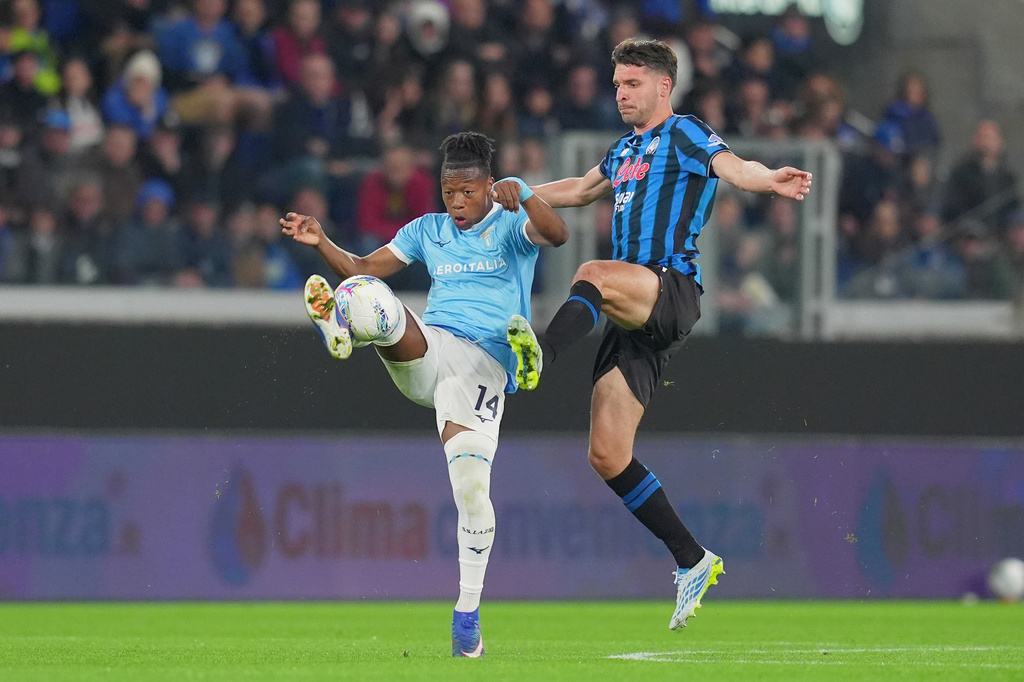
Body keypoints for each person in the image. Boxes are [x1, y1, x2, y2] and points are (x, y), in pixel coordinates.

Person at [499, 38, 812, 630]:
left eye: (632, 83)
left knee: (590, 273)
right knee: (606, 454)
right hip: (631, 312)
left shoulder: (686, 133)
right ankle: (692, 559)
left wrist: (769, 179)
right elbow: (578, 190)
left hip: (668, 289)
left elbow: (734, 167)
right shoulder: (623, 151)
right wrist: (520, 193)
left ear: (664, 87)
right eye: (617, 83)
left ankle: (537, 355)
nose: (621, 93)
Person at [280, 132, 567, 657]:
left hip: (479, 369)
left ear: (488, 186)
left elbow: (559, 232)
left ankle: (467, 619)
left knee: (472, 494)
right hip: (432, 352)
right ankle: (346, 328)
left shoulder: (509, 226)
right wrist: (322, 241)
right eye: (447, 191)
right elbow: (364, 265)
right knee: (365, 293)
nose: (455, 202)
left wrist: (524, 193)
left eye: (466, 191)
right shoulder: (426, 231)